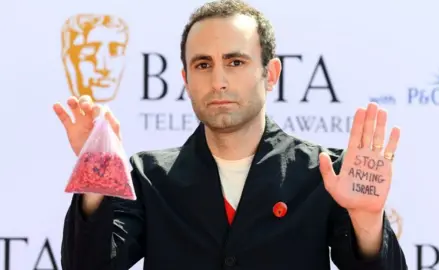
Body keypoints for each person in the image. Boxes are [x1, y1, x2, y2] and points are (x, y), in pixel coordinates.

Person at [54, 0, 407, 269]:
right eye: (203, 64)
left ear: (270, 74)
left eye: (235, 62)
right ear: (186, 80)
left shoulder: (324, 173)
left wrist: (366, 220)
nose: (218, 80)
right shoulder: (149, 177)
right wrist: (95, 173)